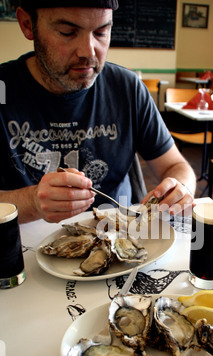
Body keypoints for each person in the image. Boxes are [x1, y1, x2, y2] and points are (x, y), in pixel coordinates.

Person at [0, 0, 196, 224]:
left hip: (119, 237)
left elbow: (176, 166)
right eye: (67, 32)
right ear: (27, 24)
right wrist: (32, 202)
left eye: (101, 32)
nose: (88, 51)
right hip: (22, 243)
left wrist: (180, 189)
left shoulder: (128, 88)